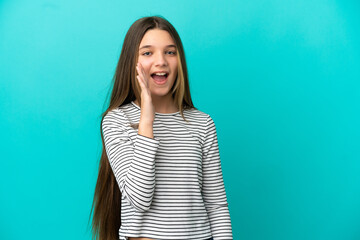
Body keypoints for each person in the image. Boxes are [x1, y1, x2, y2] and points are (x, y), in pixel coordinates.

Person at [90, 16, 233, 240]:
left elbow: (216, 206)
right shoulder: (116, 120)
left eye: (170, 52)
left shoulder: (203, 123)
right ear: (132, 63)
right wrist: (147, 120)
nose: (161, 62)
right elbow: (139, 199)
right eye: (148, 53)